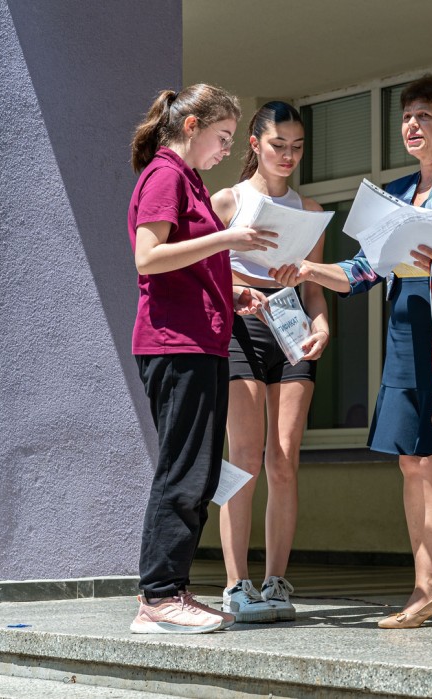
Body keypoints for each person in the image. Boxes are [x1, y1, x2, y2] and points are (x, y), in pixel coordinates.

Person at [271, 75, 432, 631]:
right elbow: (363, 270)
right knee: (414, 460)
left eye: (424, 116)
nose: (411, 125)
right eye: (406, 117)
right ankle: (428, 590)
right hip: (408, 325)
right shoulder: (396, 191)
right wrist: (310, 269)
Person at [127, 84, 278, 634]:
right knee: (184, 468)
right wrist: (228, 240)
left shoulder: (188, 180)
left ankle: (172, 590)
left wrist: (230, 292)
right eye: (223, 136)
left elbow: (186, 266)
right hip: (176, 345)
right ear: (191, 126)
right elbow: (149, 257)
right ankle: (159, 596)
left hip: (202, 342)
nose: (227, 150)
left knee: (200, 470)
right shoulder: (165, 175)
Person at [210, 102, 329, 623]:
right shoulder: (228, 200)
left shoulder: (310, 209)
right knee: (243, 455)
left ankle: (276, 580)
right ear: (255, 144)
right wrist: (236, 287)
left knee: (283, 458)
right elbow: (198, 272)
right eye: (278, 145)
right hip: (240, 323)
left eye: (297, 147)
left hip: (291, 321)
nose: (288, 155)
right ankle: (235, 583)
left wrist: (322, 325)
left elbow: (315, 285)